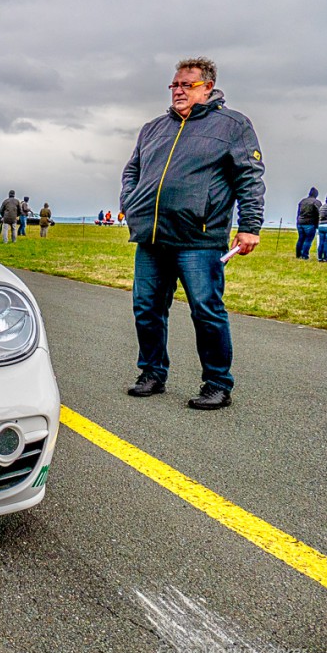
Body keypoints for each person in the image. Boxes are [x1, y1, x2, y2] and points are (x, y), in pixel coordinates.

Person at [120, 56, 265, 411]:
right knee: (146, 308)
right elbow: (132, 170)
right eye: (175, 85)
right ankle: (152, 373)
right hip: (152, 237)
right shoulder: (153, 128)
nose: (179, 91)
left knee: (206, 309)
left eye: (187, 84)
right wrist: (130, 200)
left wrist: (249, 226)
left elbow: (249, 176)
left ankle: (217, 383)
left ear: (208, 87)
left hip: (199, 239)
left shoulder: (233, 125)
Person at [295, 187, 321, 259]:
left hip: (300, 222)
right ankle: (304, 255)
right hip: (310, 223)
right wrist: (318, 224)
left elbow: (298, 212)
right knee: (308, 240)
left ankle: (298, 255)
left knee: (301, 239)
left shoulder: (302, 201)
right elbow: (319, 213)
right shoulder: (316, 202)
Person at [317, 193, 327, 263]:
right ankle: (326, 258)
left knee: (321, 242)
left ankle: (320, 258)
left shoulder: (322, 206)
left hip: (321, 226)